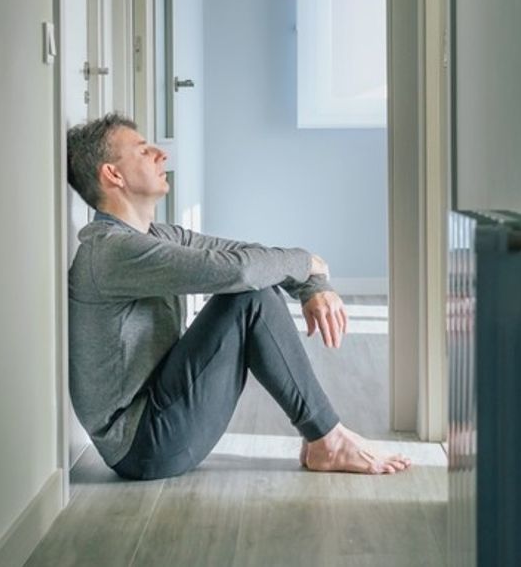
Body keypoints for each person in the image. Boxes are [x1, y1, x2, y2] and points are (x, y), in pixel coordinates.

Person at [66, 113, 411, 480]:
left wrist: (312, 284)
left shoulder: (157, 236)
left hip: (161, 419)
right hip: (143, 446)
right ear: (113, 175)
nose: (161, 154)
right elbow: (241, 272)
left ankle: (324, 437)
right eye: (143, 151)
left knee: (253, 286)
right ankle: (328, 439)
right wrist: (309, 263)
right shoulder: (111, 252)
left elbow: (248, 257)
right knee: (249, 297)